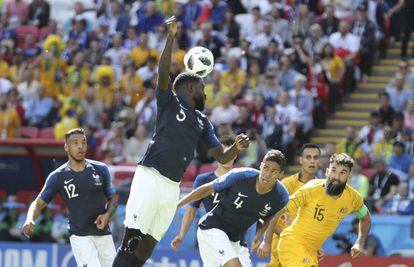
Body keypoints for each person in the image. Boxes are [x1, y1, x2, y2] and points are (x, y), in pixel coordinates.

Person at [112, 16, 249, 267]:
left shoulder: (203, 122)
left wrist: (235, 148)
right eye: (202, 88)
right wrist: (171, 37)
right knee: (131, 242)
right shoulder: (169, 102)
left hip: (171, 187)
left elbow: (221, 156)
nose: (206, 92)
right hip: (151, 176)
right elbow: (163, 73)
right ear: (188, 89)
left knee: (145, 249)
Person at [22, 128, 119, 267]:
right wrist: (29, 218)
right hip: (80, 236)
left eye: (83, 142)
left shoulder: (101, 169)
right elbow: (38, 204)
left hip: (104, 234)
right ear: (66, 147)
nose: (80, 146)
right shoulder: (57, 176)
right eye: (75, 143)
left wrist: (107, 215)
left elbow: (113, 198)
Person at [177, 150, 289, 267]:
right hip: (211, 228)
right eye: (265, 168)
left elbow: (266, 219)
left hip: (236, 240)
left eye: (274, 171)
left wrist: (258, 236)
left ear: (281, 174)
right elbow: (207, 189)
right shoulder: (241, 176)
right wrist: (178, 204)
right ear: (261, 166)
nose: (267, 174)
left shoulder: (281, 197)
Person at [260, 153, 371, 267]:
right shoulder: (312, 188)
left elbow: (365, 218)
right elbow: (277, 211)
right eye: (334, 170)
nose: (336, 177)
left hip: (312, 251)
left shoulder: (353, 198)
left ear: (349, 176)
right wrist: (266, 241)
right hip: (292, 242)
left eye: (342, 173)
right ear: (327, 172)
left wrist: (360, 242)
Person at [170, 135, 239, 251]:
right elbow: (191, 210)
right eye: (223, 152)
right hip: (212, 235)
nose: (227, 157)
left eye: (230, 152)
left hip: (236, 238)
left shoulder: (242, 180)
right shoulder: (203, 180)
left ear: (235, 155)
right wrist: (181, 236)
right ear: (216, 154)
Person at [268, 143, 321, 267]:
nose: (312, 161)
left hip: (305, 249)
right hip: (281, 248)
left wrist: (316, 245)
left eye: (316, 157)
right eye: (308, 157)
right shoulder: (286, 185)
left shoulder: (322, 190)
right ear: (301, 160)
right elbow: (270, 216)